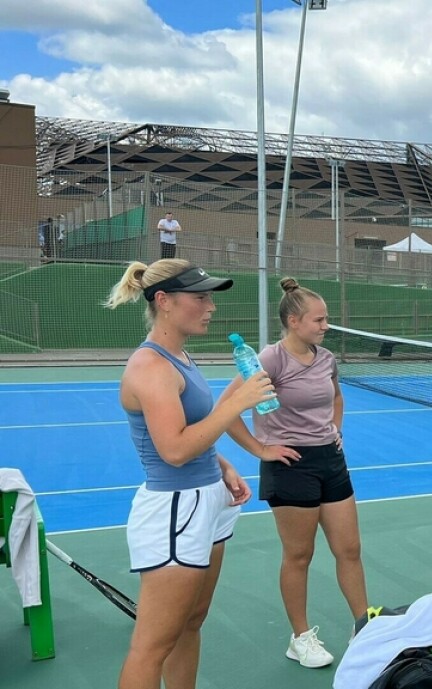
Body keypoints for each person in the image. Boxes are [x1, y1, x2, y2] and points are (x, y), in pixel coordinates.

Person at [104, 259, 280, 689]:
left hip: (205, 500)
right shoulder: (150, 367)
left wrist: (221, 465)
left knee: (191, 622)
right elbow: (175, 450)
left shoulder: (180, 355)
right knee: (151, 646)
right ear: (164, 301)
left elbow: (191, 430)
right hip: (174, 511)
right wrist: (235, 404)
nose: (210, 307)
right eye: (200, 298)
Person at [220, 277, 368, 669]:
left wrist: (335, 430)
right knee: (299, 555)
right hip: (289, 465)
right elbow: (226, 409)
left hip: (331, 461)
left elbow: (337, 398)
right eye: (319, 320)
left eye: (326, 319)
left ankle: (363, 627)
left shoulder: (326, 358)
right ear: (294, 321)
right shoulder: (270, 359)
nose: (325, 326)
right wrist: (260, 449)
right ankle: (300, 638)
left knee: (350, 550)